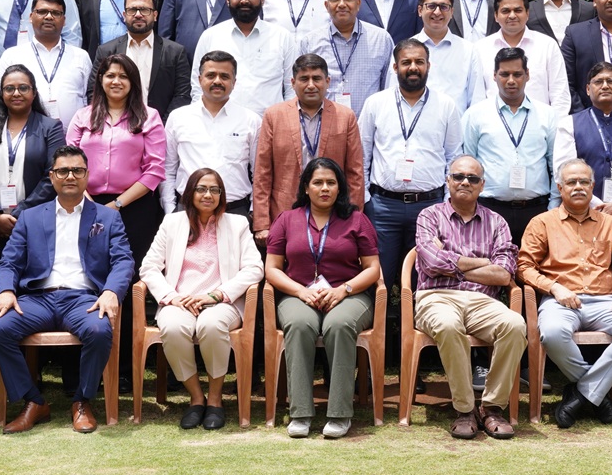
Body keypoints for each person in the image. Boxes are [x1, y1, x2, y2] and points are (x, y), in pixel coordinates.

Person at [0, 146, 135, 434]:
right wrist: (5, 290)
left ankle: (82, 401)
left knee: (99, 330)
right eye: (63, 171)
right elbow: (9, 263)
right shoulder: (30, 217)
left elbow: (124, 261)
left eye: (77, 170)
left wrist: (111, 292)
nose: (70, 176)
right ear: (51, 177)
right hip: (37, 299)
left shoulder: (107, 217)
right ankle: (33, 402)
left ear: (87, 175)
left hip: (83, 299)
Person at [519, 159, 612, 428]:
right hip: (560, 301)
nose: (578, 187)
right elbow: (524, 267)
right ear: (559, 187)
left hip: (606, 302)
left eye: (584, 182)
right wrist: (554, 287)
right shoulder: (542, 223)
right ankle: (596, 395)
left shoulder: (611, 224)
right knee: (553, 332)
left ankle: (582, 394)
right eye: (571, 182)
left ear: (592, 186)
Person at [135, 169, 263, 430]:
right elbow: (148, 267)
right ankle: (196, 397)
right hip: (179, 300)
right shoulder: (172, 223)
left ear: (222, 195)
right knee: (171, 327)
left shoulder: (237, 224)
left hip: (221, 302)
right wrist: (172, 297)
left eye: (214, 190)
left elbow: (254, 268)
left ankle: (215, 398)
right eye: (201, 189)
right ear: (189, 193)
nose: (208, 195)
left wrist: (216, 295)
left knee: (211, 325)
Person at [265, 157, 383, 439]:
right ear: (306, 187)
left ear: (340, 188)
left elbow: (373, 268)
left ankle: (340, 414)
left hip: (348, 295)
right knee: (301, 325)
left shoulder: (357, 220)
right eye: (317, 182)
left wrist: (344, 290)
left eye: (331, 182)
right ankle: (301, 413)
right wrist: (300, 291)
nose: (324, 188)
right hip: (298, 293)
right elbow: (271, 268)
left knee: (339, 325)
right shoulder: (287, 220)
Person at [411, 155, 525, 440]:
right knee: (449, 326)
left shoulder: (497, 222)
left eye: (473, 179)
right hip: (435, 297)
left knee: (515, 325)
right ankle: (464, 409)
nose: (465, 182)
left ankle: (492, 407)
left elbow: (503, 274)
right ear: (448, 180)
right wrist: (482, 260)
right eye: (459, 176)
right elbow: (430, 263)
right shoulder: (429, 216)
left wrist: (453, 263)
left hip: (482, 302)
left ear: (482, 185)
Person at [359, 39, 463, 288]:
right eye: (406, 62)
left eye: (419, 62)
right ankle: (381, 327)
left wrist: (447, 204)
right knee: (379, 278)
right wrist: (365, 199)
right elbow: (361, 155)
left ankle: (419, 326)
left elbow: (454, 158)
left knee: (425, 279)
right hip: (384, 207)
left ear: (429, 66)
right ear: (395, 67)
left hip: (429, 207)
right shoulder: (376, 103)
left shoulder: (446, 105)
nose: (413, 67)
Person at [252, 54, 365, 243]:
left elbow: (355, 173)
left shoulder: (345, 117)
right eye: (304, 79)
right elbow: (263, 173)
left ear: (327, 81)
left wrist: (354, 219)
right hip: (285, 210)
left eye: (317, 79)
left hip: (334, 213)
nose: (311, 85)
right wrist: (262, 223)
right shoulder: (274, 116)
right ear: (293, 82)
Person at [68, 53, 167, 263]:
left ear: (133, 82)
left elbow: (155, 170)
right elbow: (68, 163)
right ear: (101, 79)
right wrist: (86, 201)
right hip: (86, 204)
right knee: (89, 266)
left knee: (130, 266)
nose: (116, 81)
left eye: (123, 76)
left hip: (134, 206)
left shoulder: (149, 117)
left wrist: (117, 204)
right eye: (110, 75)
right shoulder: (82, 116)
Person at [462, 47, 558, 243]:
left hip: (537, 211)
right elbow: (468, 163)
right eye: (504, 74)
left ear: (528, 75)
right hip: (488, 210)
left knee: (533, 271)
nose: (511, 80)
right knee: (491, 271)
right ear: (495, 76)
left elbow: (555, 166)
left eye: (517, 74)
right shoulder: (476, 114)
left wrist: (553, 209)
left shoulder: (547, 115)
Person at [0, 66, 67, 242]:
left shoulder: (51, 128)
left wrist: (20, 214)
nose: (16, 93)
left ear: (34, 93)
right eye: (9, 88)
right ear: (2, 94)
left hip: (36, 221)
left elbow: (53, 176)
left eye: (23, 88)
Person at [553, 63, 612, 247]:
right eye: (598, 81)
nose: (605, 85)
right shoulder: (569, 125)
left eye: (611, 81)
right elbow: (563, 172)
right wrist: (597, 206)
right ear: (588, 89)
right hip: (582, 217)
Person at [161, 50, 261, 222]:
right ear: (200, 79)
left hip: (235, 212)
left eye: (224, 76)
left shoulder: (251, 120)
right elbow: (167, 169)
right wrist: (171, 211)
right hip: (186, 212)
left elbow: (259, 173)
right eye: (211, 75)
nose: (217, 81)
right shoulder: (178, 117)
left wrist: (253, 211)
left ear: (234, 82)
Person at [189, 0, 299, 113]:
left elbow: (292, 88)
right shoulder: (210, 36)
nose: (244, 1)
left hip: (268, 127)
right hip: (220, 125)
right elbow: (197, 86)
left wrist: (284, 121)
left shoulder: (282, 37)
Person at [88, 0, 191, 124]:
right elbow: (94, 92)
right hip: (117, 129)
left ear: (155, 15)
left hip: (161, 128)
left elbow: (182, 95)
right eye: (132, 10)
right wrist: (113, 124)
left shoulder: (175, 52)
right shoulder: (106, 51)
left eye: (144, 9)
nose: (138, 14)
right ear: (124, 15)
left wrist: (159, 126)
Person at [0, 0, 92, 131]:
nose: (49, 17)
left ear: (64, 20)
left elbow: (90, 102)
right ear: (31, 17)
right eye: (42, 12)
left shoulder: (81, 56)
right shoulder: (12, 56)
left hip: (72, 142)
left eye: (56, 13)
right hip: (24, 141)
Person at [472, 0, 571, 115]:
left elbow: (560, 94)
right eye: (505, 11)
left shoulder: (547, 45)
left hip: (539, 127)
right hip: (494, 128)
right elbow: (477, 96)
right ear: (496, 16)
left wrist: (554, 128)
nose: (512, 15)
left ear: (527, 14)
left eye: (518, 10)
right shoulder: (480, 48)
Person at [386, 0, 480, 112]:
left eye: (444, 7)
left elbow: (476, 99)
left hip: (456, 129)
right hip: (413, 129)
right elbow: (392, 94)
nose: (437, 12)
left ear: (452, 11)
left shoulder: (469, 50)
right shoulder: (403, 50)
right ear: (420, 10)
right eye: (431, 6)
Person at [304, 0, 394, 111]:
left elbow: (389, 88)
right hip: (323, 125)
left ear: (358, 4)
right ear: (326, 5)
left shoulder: (381, 40)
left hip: (367, 126)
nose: (341, 4)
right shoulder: (310, 42)